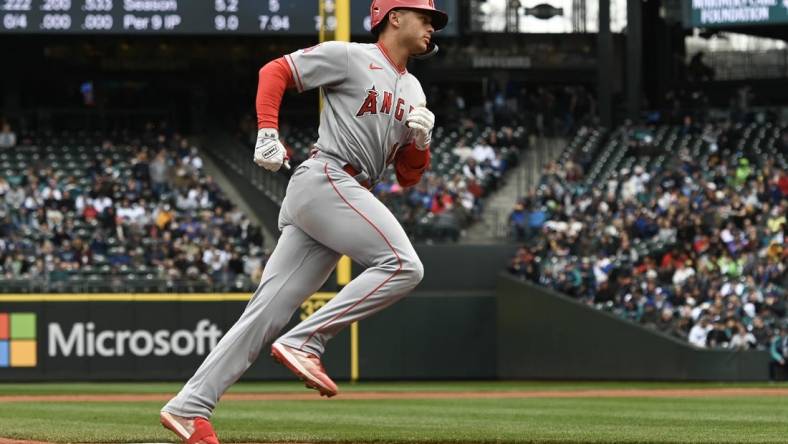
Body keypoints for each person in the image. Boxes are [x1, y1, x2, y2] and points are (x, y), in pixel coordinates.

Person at [159, 1, 448, 443]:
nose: (432, 27)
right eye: (425, 17)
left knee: (265, 314)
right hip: (328, 177)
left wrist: (421, 142)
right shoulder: (352, 56)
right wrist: (268, 131)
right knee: (403, 265)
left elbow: (408, 177)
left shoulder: (414, 90)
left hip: (342, 194)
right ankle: (306, 341)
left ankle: (189, 406)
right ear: (394, 16)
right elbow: (275, 72)